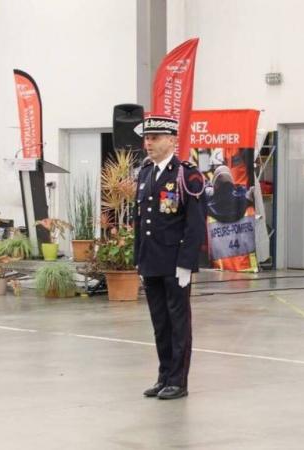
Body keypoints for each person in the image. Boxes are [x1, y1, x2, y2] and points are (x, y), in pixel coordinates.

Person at [133, 115, 205, 400]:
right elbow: (140, 221)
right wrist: (139, 260)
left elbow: (195, 223)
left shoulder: (186, 174)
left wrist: (186, 263)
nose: (149, 143)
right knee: (160, 323)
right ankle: (164, 376)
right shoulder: (145, 173)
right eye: (147, 138)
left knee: (178, 323)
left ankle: (178, 380)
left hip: (175, 263)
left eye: (155, 138)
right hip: (151, 261)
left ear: (172, 140)